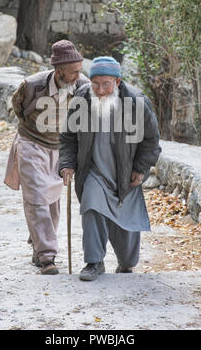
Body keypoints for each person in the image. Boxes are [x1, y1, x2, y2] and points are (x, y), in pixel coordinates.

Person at [59, 56, 161, 281]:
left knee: (127, 237)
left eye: (106, 84)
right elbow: (68, 138)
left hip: (126, 175)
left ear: (117, 82)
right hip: (94, 172)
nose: (101, 90)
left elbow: (152, 141)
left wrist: (141, 168)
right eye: (95, 84)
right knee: (92, 208)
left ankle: (126, 264)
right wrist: (66, 164)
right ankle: (94, 262)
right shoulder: (82, 99)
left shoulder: (137, 102)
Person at [4, 40, 89, 275]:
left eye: (79, 71)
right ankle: (47, 256)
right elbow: (18, 107)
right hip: (31, 143)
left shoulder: (83, 85)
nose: (78, 76)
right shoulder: (32, 85)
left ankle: (38, 245)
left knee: (52, 200)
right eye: (73, 72)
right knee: (36, 196)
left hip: (61, 146)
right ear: (59, 70)